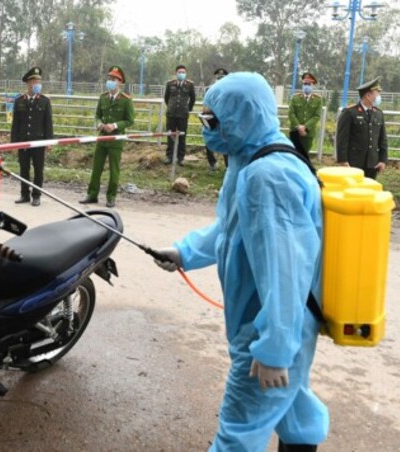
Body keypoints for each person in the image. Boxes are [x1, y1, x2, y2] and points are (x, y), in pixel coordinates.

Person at [154, 72, 329, 451]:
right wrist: (185, 251)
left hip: (267, 333)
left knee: (237, 435)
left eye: (211, 120)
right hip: (272, 328)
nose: (206, 128)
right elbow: (231, 229)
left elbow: (286, 275)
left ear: (239, 117)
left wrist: (274, 350)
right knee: (292, 411)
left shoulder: (268, 178)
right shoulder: (249, 159)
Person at [79, 66, 134, 208]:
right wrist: (99, 123)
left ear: (120, 82)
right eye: (109, 79)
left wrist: (115, 125)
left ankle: (111, 197)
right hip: (102, 138)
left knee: (114, 170)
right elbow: (97, 115)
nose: (110, 82)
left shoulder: (126, 100)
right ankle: (92, 194)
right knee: (96, 167)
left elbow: (130, 120)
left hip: (116, 139)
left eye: (114, 79)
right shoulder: (103, 98)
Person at [11, 66, 54, 206]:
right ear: (28, 83)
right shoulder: (19, 101)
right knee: (24, 169)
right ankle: (24, 195)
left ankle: (36, 195)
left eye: (39, 82)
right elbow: (15, 124)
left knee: (38, 169)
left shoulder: (44, 101)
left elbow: (48, 123)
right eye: (35, 81)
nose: (38, 84)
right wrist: (13, 143)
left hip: (38, 141)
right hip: (23, 141)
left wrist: (49, 142)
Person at [336, 77, 388, 180]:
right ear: (368, 95)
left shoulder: (378, 113)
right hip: (354, 163)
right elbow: (342, 139)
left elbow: (383, 139)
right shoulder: (350, 112)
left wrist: (383, 160)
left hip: (372, 163)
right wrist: (343, 161)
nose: (379, 96)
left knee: (369, 192)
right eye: (377, 93)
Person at [163, 64, 196, 165]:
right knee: (170, 135)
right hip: (171, 114)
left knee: (182, 136)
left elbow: (193, 99)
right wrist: (171, 107)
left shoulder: (189, 85)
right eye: (179, 72)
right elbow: (166, 98)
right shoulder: (170, 84)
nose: (181, 74)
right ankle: (170, 156)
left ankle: (181, 158)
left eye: (183, 72)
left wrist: (188, 109)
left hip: (183, 115)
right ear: (176, 73)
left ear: (186, 74)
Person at [288, 72, 324, 161]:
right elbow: (291, 113)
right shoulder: (295, 98)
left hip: (308, 132)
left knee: (304, 155)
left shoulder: (318, 100)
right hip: (295, 131)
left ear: (313, 85)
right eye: (304, 84)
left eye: (309, 84)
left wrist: (305, 127)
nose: (306, 86)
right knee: (293, 154)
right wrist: (298, 126)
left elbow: (316, 116)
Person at [205, 68, 230, 172]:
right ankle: (212, 163)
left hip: (225, 120)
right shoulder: (210, 90)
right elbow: (205, 105)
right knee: (209, 142)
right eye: (218, 78)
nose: (220, 79)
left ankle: (228, 166)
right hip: (212, 118)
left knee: (226, 142)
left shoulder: (230, 90)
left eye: (222, 78)